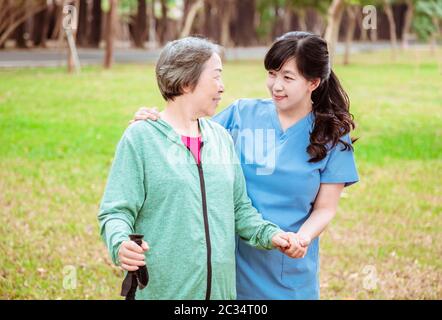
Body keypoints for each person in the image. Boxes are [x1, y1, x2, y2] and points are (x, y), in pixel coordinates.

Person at [131, 31, 359, 299]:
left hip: (287, 264)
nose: (276, 85)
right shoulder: (241, 114)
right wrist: (155, 121)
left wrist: (302, 239)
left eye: (287, 77)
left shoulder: (332, 134)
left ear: (314, 82)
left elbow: (325, 208)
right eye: (272, 74)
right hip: (228, 264)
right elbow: (185, 133)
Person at [97, 36, 306, 300]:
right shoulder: (140, 139)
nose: (222, 87)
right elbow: (115, 211)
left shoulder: (220, 138)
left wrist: (271, 235)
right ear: (186, 82)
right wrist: (120, 243)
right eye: (216, 77)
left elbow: (240, 209)